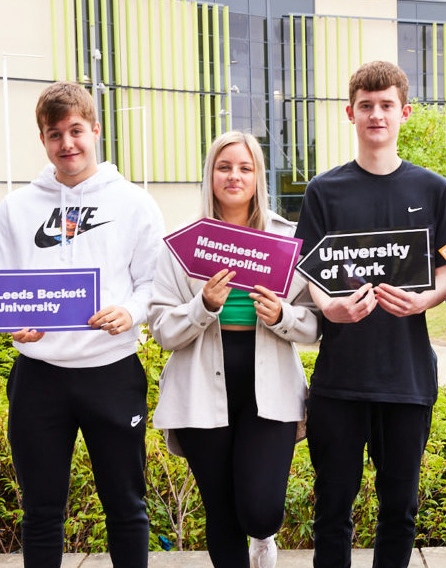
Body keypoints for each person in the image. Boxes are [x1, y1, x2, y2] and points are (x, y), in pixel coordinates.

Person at [0, 81, 164, 567]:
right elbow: (1, 285)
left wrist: (130, 312)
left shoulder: (134, 203)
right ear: (42, 139)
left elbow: (153, 284)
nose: (67, 143)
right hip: (38, 377)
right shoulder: (16, 208)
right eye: (54, 134)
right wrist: (13, 323)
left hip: (112, 372)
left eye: (76, 130)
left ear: (95, 130)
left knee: (126, 507)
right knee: (41, 511)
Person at [293, 60, 446, 568]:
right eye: (366, 106)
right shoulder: (324, 190)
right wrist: (330, 307)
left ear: (404, 113)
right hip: (340, 381)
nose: (376, 115)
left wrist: (427, 298)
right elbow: (308, 268)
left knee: (400, 511)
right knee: (332, 511)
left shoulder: (433, 189)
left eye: (386, 105)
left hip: (406, 379)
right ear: (350, 113)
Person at [148, 131, 320, 568]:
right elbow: (161, 329)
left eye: (245, 168)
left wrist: (282, 315)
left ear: (258, 176)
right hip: (200, 384)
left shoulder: (287, 240)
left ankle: (263, 537)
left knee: (260, 510)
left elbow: (315, 323)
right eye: (224, 167)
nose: (234, 176)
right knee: (221, 511)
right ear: (210, 174)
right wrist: (202, 306)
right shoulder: (184, 243)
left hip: (270, 386)